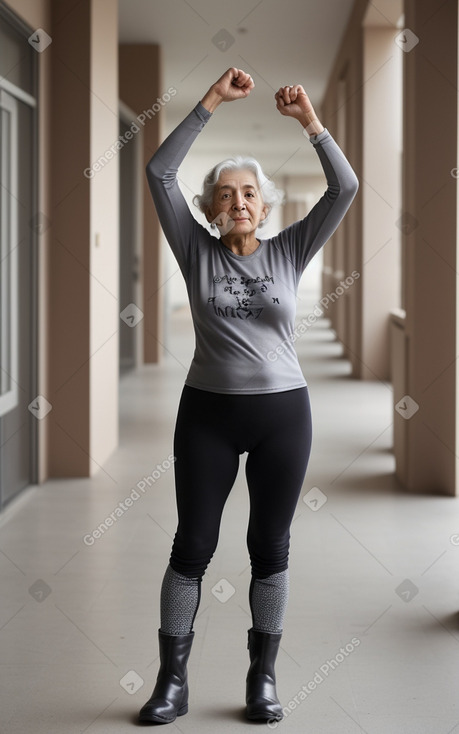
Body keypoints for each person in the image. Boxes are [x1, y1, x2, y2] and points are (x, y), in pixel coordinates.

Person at [139, 67, 359, 725]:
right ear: (209, 209)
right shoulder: (195, 250)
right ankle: (170, 681)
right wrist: (209, 102)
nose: (238, 200)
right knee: (193, 545)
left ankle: (261, 678)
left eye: (249, 193)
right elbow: (157, 174)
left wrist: (310, 124)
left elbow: (343, 187)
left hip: (282, 416)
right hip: (205, 414)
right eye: (225, 193)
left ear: (264, 207)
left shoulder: (290, 249)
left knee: (270, 545)